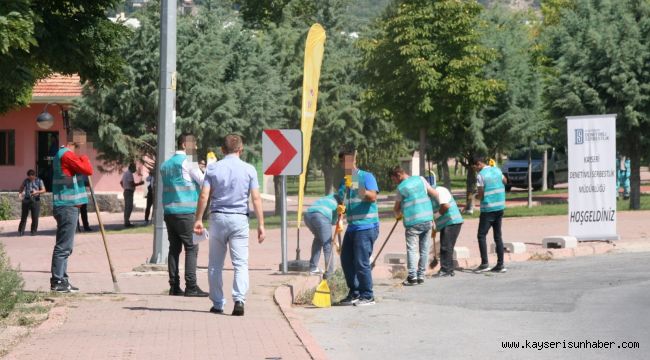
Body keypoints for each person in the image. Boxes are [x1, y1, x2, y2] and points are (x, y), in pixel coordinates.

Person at [194, 134, 266, 316]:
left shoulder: (213, 169)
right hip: (240, 219)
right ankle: (239, 300)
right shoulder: (249, 170)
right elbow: (256, 198)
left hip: (218, 218)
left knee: (215, 264)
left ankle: (218, 303)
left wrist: (198, 219)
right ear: (240, 150)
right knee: (240, 263)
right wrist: (261, 224)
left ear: (222, 150)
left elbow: (204, 196)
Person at [160, 133, 208, 298]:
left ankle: (174, 286)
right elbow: (203, 182)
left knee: (174, 249)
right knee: (192, 247)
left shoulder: (165, 165)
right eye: (193, 145)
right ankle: (191, 286)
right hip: (186, 212)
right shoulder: (189, 162)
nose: (195, 148)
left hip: (169, 211)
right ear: (184, 145)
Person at [337, 147, 380, 306]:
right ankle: (354, 293)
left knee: (361, 261)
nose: (345, 164)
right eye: (342, 161)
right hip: (352, 226)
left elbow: (372, 197)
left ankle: (368, 295)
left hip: (367, 226)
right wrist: (341, 209)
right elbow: (344, 202)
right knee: (346, 260)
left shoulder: (366, 176)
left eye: (347, 160)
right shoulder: (344, 182)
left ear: (354, 160)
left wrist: (356, 186)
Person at [50, 141, 93, 292]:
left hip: (65, 205)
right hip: (67, 206)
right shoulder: (67, 155)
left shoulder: (60, 155)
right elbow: (87, 169)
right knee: (63, 246)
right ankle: (57, 281)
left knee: (66, 246)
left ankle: (63, 279)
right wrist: (85, 157)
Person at [389, 166, 433, 285]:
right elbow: (433, 193)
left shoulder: (401, 187)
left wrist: (397, 215)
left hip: (413, 222)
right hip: (428, 219)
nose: (395, 182)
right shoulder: (420, 179)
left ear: (399, 175)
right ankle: (421, 275)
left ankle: (412, 277)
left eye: (394, 179)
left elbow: (396, 208)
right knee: (424, 249)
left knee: (412, 249)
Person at [472, 156, 507, 273]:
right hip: (500, 207)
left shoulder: (481, 175)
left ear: (478, 164)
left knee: (481, 235)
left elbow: (481, 195)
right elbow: (505, 181)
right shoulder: (496, 169)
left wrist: (475, 197)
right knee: (498, 236)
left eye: (474, 167)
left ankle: (484, 263)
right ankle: (500, 264)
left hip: (488, 209)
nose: (475, 170)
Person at [304, 194, 343, 277]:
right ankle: (330, 274)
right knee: (327, 245)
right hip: (321, 217)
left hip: (308, 215)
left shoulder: (328, 197)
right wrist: (340, 218)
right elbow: (333, 221)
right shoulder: (339, 206)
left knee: (318, 239)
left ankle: (313, 268)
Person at [430, 185, 464, 277]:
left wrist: (435, 217)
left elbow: (445, 206)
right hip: (446, 223)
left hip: (452, 221)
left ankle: (445, 269)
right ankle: (449, 269)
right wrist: (435, 227)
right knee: (447, 246)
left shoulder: (439, 191)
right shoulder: (430, 196)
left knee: (445, 246)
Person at [17, 169, 46, 236]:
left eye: (31, 177)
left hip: (36, 200)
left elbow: (44, 190)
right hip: (26, 200)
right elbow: (21, 187)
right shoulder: (26, 181)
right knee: (24, 216)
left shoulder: (39, 181)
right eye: (29, 176)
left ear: (34, 175)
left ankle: (33, 231)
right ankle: (21, 231)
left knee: (35, 217)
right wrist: (20, 193)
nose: (30, 178)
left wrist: (37, 192)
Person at [120, 163, 144, 227]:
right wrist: (140, 183)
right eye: (134, 168)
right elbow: (132, 184)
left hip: (127, 191)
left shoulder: (126, 173)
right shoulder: (129, 174)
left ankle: (126, 221)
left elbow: (121, 182)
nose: (135, 170)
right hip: (129, 191)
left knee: (127, 207)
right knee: (129, 207)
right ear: (131, 168)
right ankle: (127, 222)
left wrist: (125, 187)